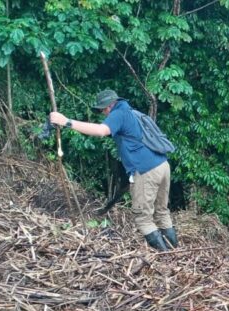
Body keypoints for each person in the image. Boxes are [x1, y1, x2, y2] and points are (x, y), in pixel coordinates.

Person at [49, 89, 177, 251]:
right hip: (162, 165)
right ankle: (175, 253)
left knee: (143, 218)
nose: (103, 113)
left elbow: (101, 131)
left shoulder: (119, 113)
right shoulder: (131, 113)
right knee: (161, 211)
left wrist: (66, 122)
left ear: (110, 105)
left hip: (146, 170)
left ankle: (166, 258)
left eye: (103, 109)